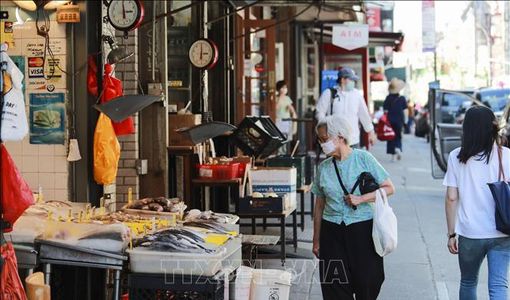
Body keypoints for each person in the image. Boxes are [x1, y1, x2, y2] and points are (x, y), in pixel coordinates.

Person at [312, 115, 395, 300]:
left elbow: (389, 188)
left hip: (362, 231)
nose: (321, 144)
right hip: (331, 232)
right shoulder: (323, 168)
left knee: (368, 282)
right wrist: (316, 240)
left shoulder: (364, 158)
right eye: (320, 140)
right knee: (334, 286)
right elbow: (319, 205)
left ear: (339, 137)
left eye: (324, 139)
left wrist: (361, 198)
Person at [443, 106, 510, 300]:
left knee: (468, 282)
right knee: (499, 285)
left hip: (470, 232)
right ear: (492, 127)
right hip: (502, 231)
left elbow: (451, 198)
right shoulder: (506, 155)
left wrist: (451, 234)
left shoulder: (457, 156)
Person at [316, 67, 376, 148]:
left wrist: (371, 132)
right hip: (334, 140)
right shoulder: (329, 93)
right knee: (335, 161)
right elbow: (320, 112)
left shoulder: (357, 95)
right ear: (343, 80)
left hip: (353, 140)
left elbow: (364, 115)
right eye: (351, 80)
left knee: (353, 160)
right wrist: (325, 130)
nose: (353, 82)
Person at [383, 78, 407, 161]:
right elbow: (405, 110)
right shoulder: (402, 98)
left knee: (390, 137)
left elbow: (385, 111)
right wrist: (405, 121)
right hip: (399, 120)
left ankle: (392, 156)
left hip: (390, 120)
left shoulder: (388, 98)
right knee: (398, 136)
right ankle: (398, 148)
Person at [275, 80, 297, 155]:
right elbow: (275, 108)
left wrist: (293, 112)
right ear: (278, 89)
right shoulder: (276, 98)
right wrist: (280, 98)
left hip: (286, 120)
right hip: (278, 120)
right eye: (283, 87)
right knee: (279, 138)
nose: (285, 89)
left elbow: (291, 109)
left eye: (285, 87)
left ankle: (284, 153)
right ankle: (279, 153)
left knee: (285, 138)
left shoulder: (287, 98)